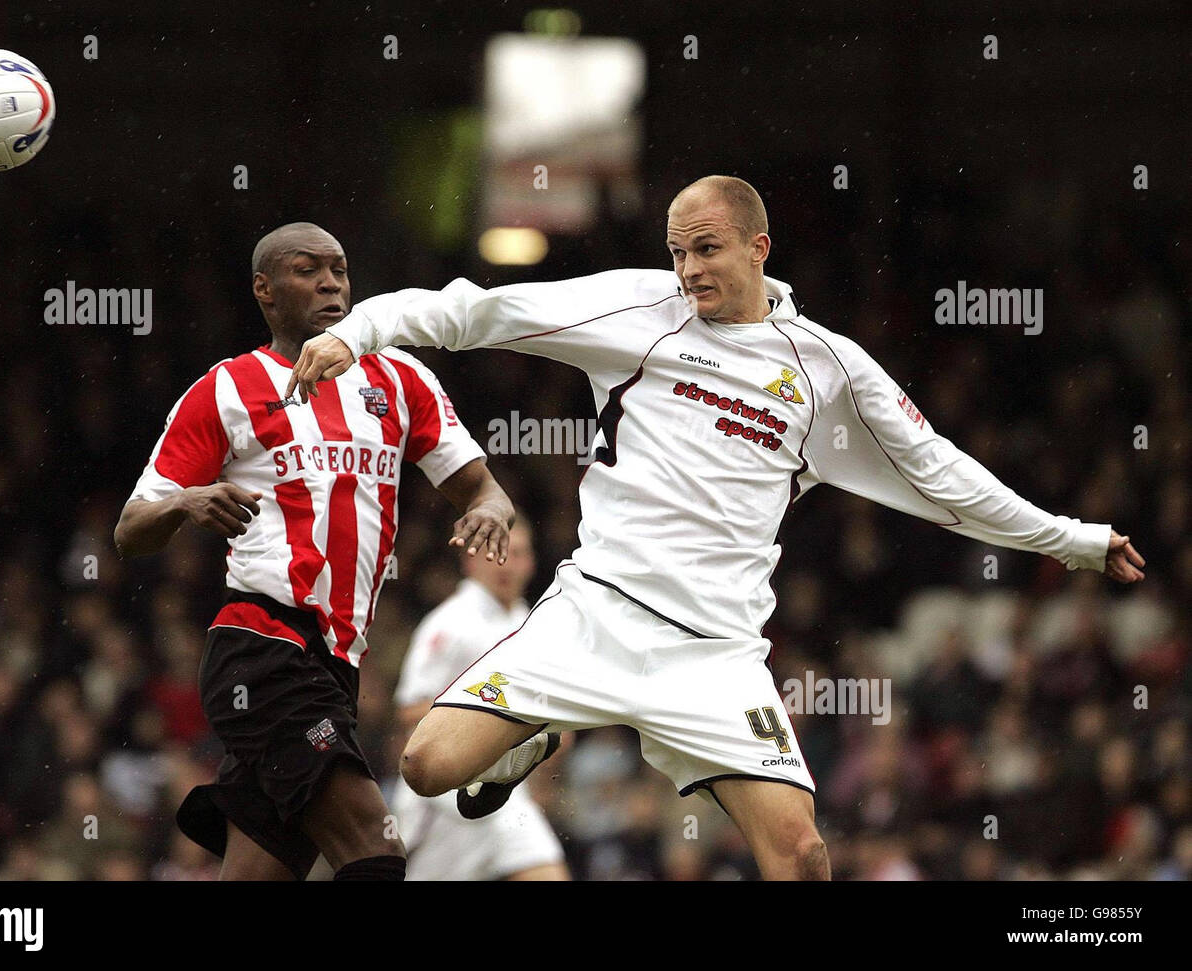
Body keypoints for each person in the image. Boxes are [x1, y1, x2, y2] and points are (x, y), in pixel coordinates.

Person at [284, 177, 1146, 880]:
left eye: (706, 249)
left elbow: (941, 473)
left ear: (758, 248)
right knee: (431, 768)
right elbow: (476, 311)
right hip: (594, 615)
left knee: (804, 855)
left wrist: (1069, 538)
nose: (688, 269)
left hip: (714, 656)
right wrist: (359, 332)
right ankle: (538, 733)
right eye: (677, 251)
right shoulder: (635, 310)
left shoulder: (827, 370)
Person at [114, 222, 514, 881]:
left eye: (340, 269)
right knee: (376, 845)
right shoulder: (227, 387)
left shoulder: (399, 378)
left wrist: (490, 508)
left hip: (335, 665)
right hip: (263, 650)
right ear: (263, 290)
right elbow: (130, 530)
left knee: (258, 872)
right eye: (308, 270)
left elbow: (480, 487)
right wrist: (185, 502)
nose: (331, 283)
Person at [390, 516, 569, 880]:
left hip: (505, 796)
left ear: (532, 562)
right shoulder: (449, 622)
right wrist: (490, 717)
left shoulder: (532, 621)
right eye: (497, 553)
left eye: (517, 553)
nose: (508, 563)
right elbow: (410, 709)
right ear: (471, 560)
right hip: (446, 798)